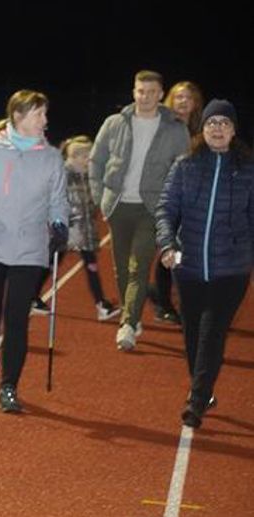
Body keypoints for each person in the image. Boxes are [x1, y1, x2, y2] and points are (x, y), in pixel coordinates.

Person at [0, 90, 68, 413]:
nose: (45, 121)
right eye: (39, 115)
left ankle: (9, 386)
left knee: (17, 319)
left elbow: (58, 199)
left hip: (29, 249)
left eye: (45, 114)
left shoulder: (51, 157)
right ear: (18, 117)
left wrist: (59, 223)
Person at [156, 99, 253, 428]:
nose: (217, 128)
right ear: (203, 128)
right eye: (212, 122)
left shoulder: (247, 169)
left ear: (234, 131)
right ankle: (204, 388)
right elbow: (166, 208)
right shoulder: (186, 165)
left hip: (232, 269)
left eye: (225, 123)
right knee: (192, 331)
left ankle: (196, 401)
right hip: (190, 265)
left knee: (213, 332)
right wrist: (168, 243)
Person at [89, 70, 190, 351]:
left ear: (161, 94)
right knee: (121, 269)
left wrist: (171, 205)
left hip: (151, 208)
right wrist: (100, 197)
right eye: (140, 91)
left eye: (151, 92)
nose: (145, 97)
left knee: (139, 266)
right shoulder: (114, 123)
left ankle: (129, 325)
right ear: (134, 92)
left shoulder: (175, 128)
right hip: (117, 205)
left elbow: (181, 169)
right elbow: (96, 161)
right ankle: (130, 314)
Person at [150, 80, 205, 324]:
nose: (183, 102)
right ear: (170, 99)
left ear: (196, 104)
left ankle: (167, 297)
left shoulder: (201, 130)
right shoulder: (161, 125)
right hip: (162, 196)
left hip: (190, 199)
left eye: (189, 98)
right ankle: (163, 302)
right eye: (179, 97)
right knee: (167, 249)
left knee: (183, 252)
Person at [58, 136, 119, 320]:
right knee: (51, 263)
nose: (90, 160)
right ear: (74, 157)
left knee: (90, 264)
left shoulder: (88, 176)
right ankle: (31, 296)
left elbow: (93, 200)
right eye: (86, 157)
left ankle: (101, 304)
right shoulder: (63, 175)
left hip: (84, 228)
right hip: (67, 228)